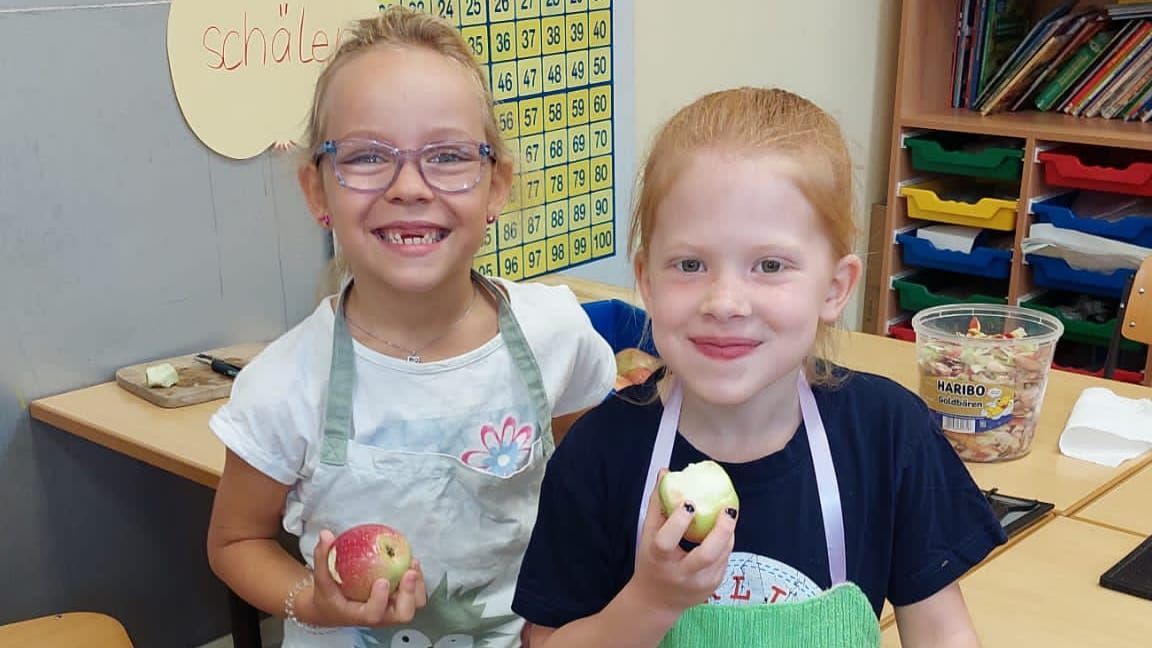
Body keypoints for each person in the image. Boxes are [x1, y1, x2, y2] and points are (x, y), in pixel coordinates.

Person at [511, 87, 1007, 648]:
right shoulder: (599, 454)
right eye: (690, 264)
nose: (724, 302)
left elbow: (943, 632)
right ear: (646, 281)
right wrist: (650, 602)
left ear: (834, 288)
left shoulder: (888, 435)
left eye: (769, 265)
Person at [204, 8, 617, 647]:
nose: (409, 187)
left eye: (447, 156)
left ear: (496, 187)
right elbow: (235, 541)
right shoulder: (285, 384)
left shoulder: (555, 335)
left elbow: (589, 482)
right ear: (317, 192)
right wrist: (310, 601)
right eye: (368, 157)